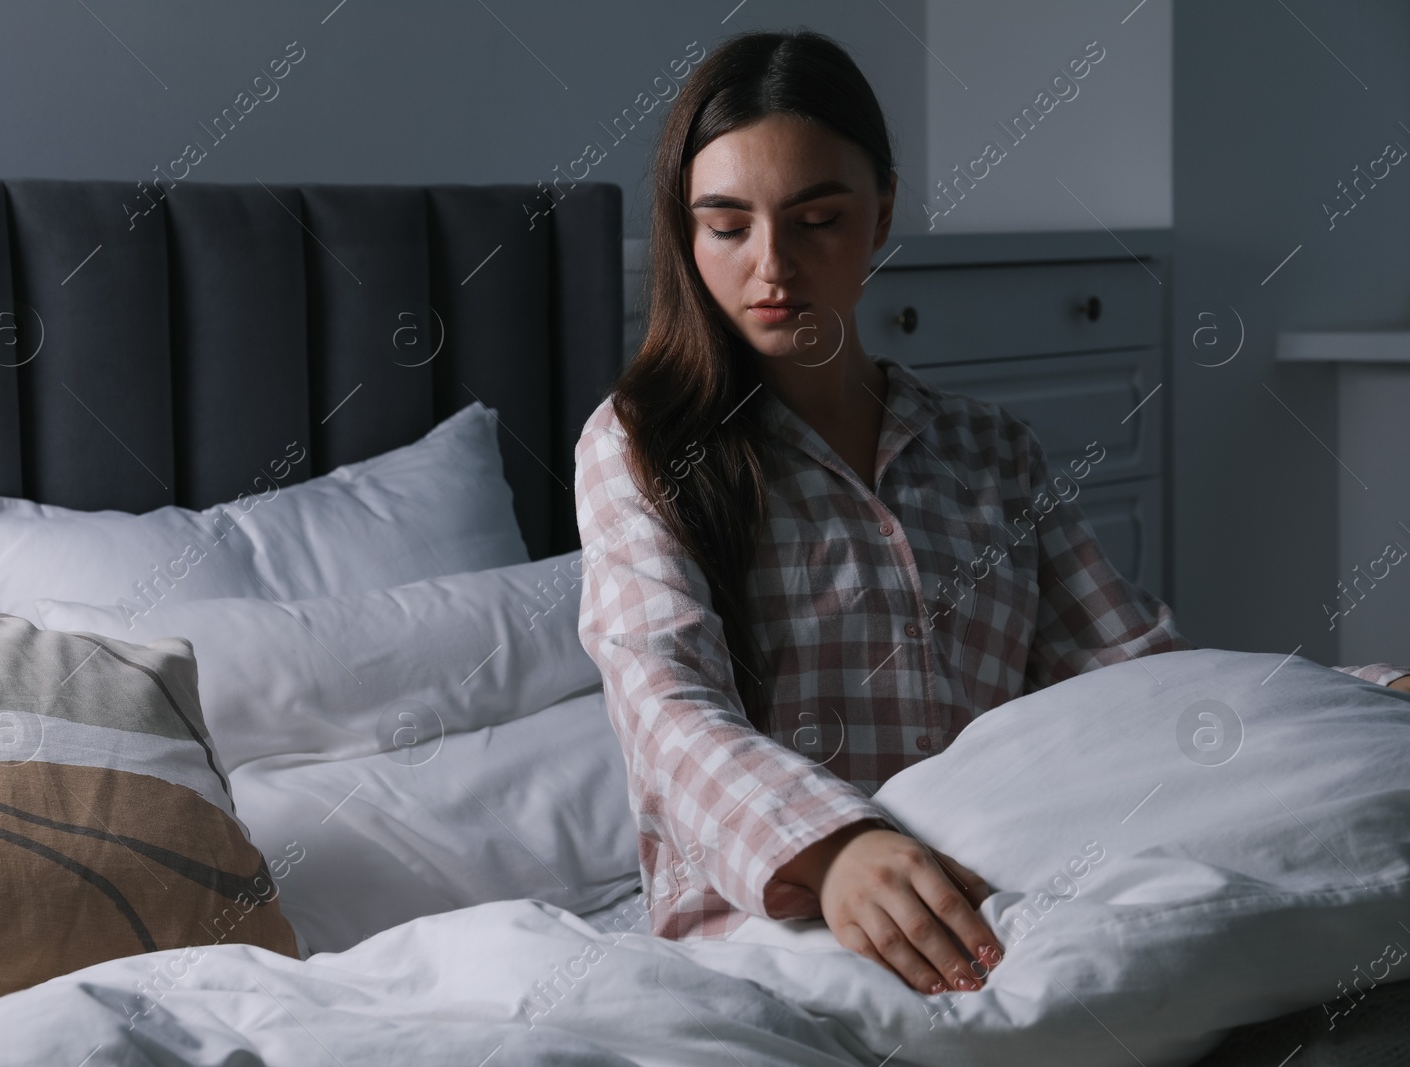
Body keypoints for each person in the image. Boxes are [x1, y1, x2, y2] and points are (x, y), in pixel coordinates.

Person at [572, 28, 1410, 1000]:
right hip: (777, 923)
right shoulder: (637, 444)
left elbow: (1136, 675)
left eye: (817, 219)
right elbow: (665, 704)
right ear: (685, 230)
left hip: (1000, 895)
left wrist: (1356, 692)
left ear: (881, 212)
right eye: (726, 226)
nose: (771, 266)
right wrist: (838, 845)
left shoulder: (986, 451)